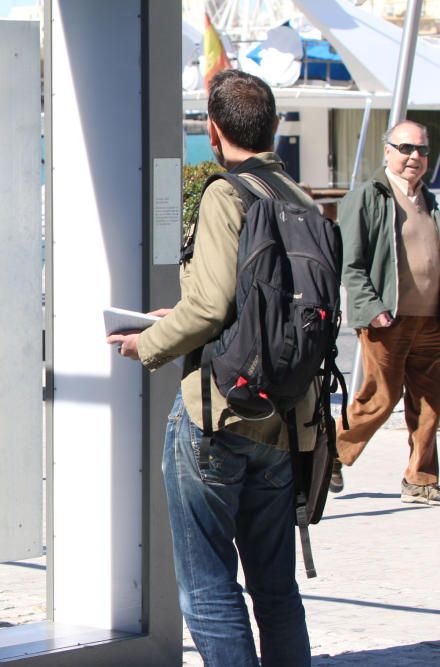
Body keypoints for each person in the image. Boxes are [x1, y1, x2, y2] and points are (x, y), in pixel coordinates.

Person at [108, 69, 317, 666]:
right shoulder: (297, 197)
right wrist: (182, 313)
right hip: (283, 417)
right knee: (275, 589)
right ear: (274, 126)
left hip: (218, 413)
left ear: (214, 130)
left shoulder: (229, 193)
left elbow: (211, 305)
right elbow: (254, 302)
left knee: (207, 589)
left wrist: (148, 345)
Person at [331, 120, 440, 505]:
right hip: (387, 318)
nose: (415, 157)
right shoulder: (367, 197)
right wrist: (371, 308)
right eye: (407, 148)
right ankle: (330, 452)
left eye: (423, 150)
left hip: (430, 320)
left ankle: (421, 478)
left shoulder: (431, 200)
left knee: (431, 400)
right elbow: (350, 262)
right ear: (387, 151)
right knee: (381, 397)